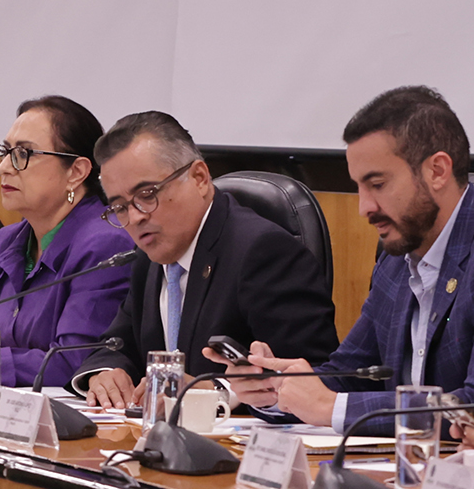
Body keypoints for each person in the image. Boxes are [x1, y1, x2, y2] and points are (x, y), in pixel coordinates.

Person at [229, 86, 474, 431]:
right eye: (359, 188)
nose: (364, 208)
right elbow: (352, 374)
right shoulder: (400, 253)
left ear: (437, 171)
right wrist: (279, 389)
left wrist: (331, 407)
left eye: (378, 185)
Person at [73, 113, 336, 408]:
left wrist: (215, 392)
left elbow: (313, 375)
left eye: (147, 195)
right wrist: (105, 373)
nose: (135, 218)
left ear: (199, 178)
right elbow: (117, 345)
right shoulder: (149, 258)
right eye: (120, 207)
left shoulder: (263, 251)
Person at [0, 97, 136, 389]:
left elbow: (73, 362)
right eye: (4, 152)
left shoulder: (106, 245)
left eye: (23, 154)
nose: (3, 167)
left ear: (76, 172)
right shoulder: (2, 243)